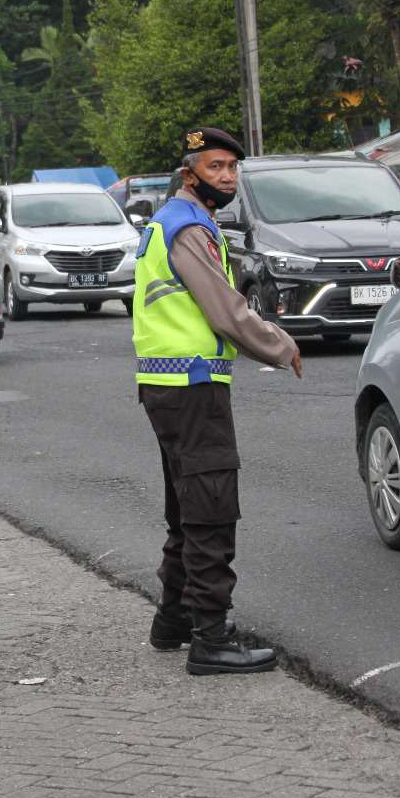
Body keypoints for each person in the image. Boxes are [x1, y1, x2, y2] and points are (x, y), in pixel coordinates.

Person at [133, 126, 303, 675]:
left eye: (232, 168)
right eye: (215, 167)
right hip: (192, 384)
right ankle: (212, 637)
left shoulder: (178, 222)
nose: (227, 177)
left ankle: (174, 622)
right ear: (190, 174)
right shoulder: (187, 228)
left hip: (171, 384)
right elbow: (226, 311)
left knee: (188, 508)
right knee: (210, 509)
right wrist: (279, 345)